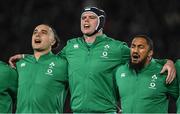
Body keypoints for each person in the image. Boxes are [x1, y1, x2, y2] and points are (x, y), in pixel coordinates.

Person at [9, 7, 176, 113]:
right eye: (83, 18)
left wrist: (166, 62)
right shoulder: (71, 47)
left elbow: (143, 56)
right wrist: (27, 57)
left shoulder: (116, 48)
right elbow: (48, 62)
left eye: (90, 17)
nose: (85, 20)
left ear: (101, 22)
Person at [115, 35, 179, 113]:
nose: (135, 50)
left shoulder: (164, 72)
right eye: (133, 46)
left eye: (140, 47)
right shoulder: (120, 71)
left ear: (150, 53)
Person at [15, 24, 68, 113]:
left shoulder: (62, 64)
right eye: (35, 32)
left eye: (44, 32)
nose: (37, 34)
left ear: (53, 41)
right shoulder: (20, 64)